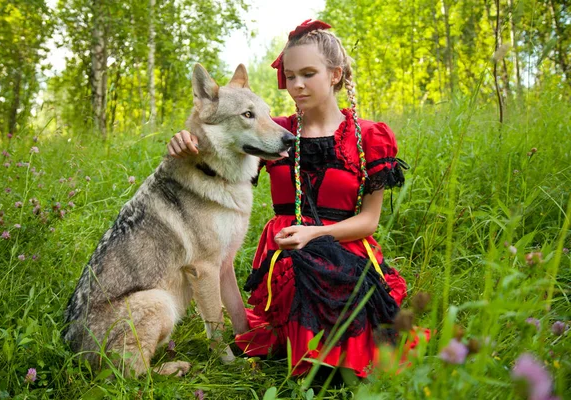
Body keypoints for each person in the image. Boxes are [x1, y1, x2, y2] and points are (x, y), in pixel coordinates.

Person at [168, 19, 414, 379]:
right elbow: (217, 156)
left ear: (334, 74)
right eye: (290, 75)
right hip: (285, 256)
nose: (296, 85)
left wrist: (313, 234)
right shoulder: (271, 132)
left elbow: (369, 221)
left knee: (346, 332)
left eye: (308, 74)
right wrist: (185, 142)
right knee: (300, 292)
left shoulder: (368, 137)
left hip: (344, 247)